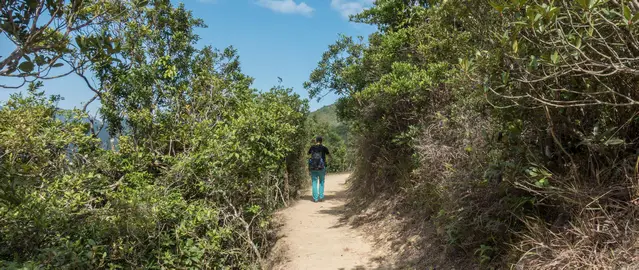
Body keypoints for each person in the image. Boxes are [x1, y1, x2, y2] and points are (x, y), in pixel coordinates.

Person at [308, 136, 330, 202]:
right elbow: (329, 155)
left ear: (316, 141)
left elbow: (308, 153)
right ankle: (321, 196)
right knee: (321, 181)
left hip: (313, 167)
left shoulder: (312, 147)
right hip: (321, 167)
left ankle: (315, 198)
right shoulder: (324, 147)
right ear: (321, 141)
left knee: (314, 182)